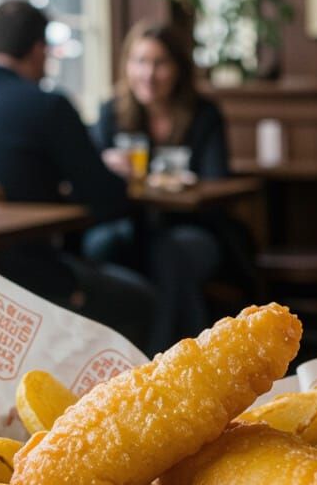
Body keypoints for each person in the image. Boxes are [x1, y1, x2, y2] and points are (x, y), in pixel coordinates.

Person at [0, 0, 155, 351]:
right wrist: (107, 174)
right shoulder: (48, 105)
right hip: (25, 290)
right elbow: (109, 200)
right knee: (141, 301)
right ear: (39, 50)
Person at [85, 20, 253, 352]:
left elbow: (216, 181)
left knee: (171, 253)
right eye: (140, 62)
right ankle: (103, 358)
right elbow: (92, 179)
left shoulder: (203, 115)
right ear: (127, 66)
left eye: (159, 63)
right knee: (97, 247)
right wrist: (106, 164)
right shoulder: (112, 114)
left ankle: (165, 359)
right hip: (129, 227)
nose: (148, 73)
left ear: (178, 68)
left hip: (193, 227)